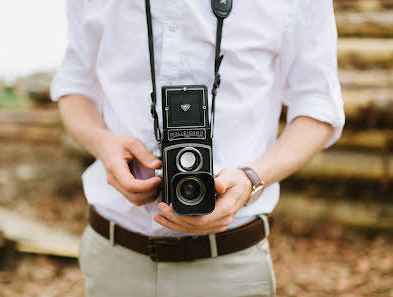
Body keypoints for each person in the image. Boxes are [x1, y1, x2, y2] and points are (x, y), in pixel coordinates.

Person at [50, 0, 345, 296]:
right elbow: (76, 85)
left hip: (229, 262)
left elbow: (319, 107)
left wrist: (252, 179)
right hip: (112, 258)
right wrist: (102, 143)